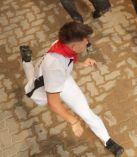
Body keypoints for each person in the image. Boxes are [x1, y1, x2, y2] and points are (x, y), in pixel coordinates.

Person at [19, 21, 124, 156]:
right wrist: (73, 122)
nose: (87, 43)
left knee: (85, 111)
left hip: (62, 78)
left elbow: (68, 61)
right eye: (85, 43)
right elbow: (53, 102)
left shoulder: (63, 44)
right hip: (46, 84)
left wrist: (81, 63)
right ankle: (27, 62)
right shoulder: (55, 66)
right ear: (74, 45)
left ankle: (107, 140)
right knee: (31, 84)